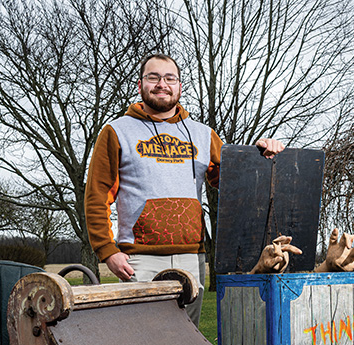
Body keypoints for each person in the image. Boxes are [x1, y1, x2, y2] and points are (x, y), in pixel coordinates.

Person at [84, 53, 284, 324]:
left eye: (170, 78)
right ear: (141, 83)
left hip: (192, 257)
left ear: (179, 86)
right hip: (139, 258)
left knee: (189, 344)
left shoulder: (202, 134)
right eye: (153, 77)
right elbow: (97, 195)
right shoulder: (117, 131)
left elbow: (234, 180)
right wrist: (107, 250)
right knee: (140, 343)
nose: (161, 84)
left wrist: (259, 153)